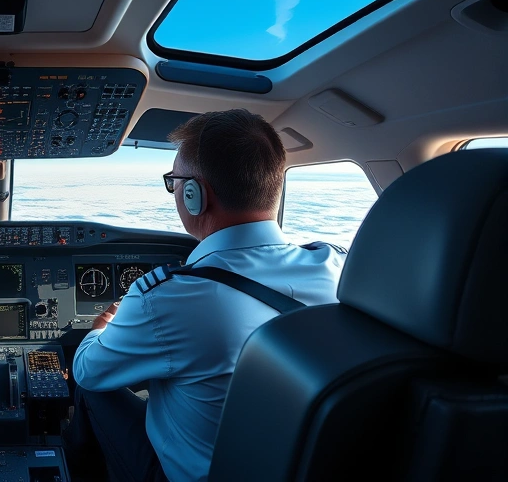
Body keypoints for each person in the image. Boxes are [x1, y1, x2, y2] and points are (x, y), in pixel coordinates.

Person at [63, 109, 345, 482]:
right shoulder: (340, 268)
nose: (175, 191)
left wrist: (100, 328)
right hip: (302, 466)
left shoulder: (165, 297)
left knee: (89, 389)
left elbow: (89, 371)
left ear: (195, 194)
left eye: (175, 182)